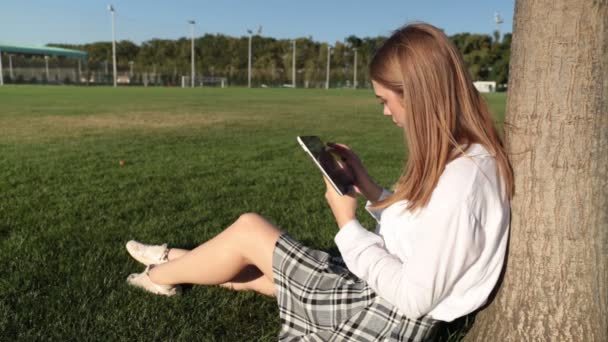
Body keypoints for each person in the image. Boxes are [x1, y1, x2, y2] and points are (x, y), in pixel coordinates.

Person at [125, 22, 513, 341]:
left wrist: (347, 224)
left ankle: (157, 276)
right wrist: (370, 189)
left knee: (249, 231)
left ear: (418, 97)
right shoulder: (468, 158)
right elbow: (425, 230)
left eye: (385, 100)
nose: (384, 112)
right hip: (385, 291)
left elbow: (414, 297)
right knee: (261, 275)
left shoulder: (463, 182)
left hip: (391, 315)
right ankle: (173, 259)